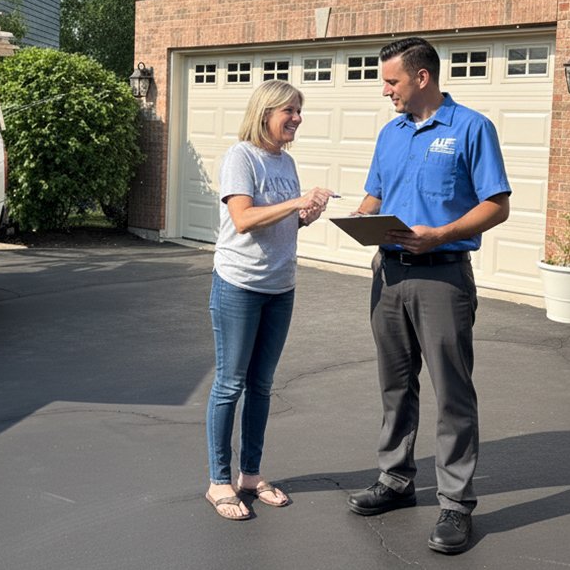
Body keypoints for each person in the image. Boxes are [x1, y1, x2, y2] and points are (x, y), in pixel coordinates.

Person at [346, 37, 511, 553]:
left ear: (422, 78)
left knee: (452, 392)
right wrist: (359, 215)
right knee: (395, 386)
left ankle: (456, 504)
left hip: (442, 277)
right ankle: (395, 479)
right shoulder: (390, 134)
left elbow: (497, 205)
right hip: (388, 277)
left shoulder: (472, 128)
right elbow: (377, 194)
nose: (385, 91)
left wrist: (440, 234)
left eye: (391, 81)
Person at [204, 80, 334, 520]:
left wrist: (305, 217)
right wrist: (296, 201)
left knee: (261, 385)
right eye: (289, 111)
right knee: (230, 384)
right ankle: (219, 481)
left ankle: (250, 476)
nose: (297, 118)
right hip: (239, 285)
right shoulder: (240, 157)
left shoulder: (286, 162)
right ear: (265, 114)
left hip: (280, 287)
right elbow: (242, 219)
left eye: (299, 110)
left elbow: (279, 223)